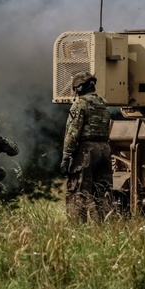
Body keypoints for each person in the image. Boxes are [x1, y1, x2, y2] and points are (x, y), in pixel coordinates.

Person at [61, 70, 113, 221]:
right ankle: (106, 227)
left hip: (87, 152)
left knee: (78, 191)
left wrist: (66, 156)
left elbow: (72, 132)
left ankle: (78, 230)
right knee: (103, 193)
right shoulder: (103, 103)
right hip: (105, 149)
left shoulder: (80, 104)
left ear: (79, 88)